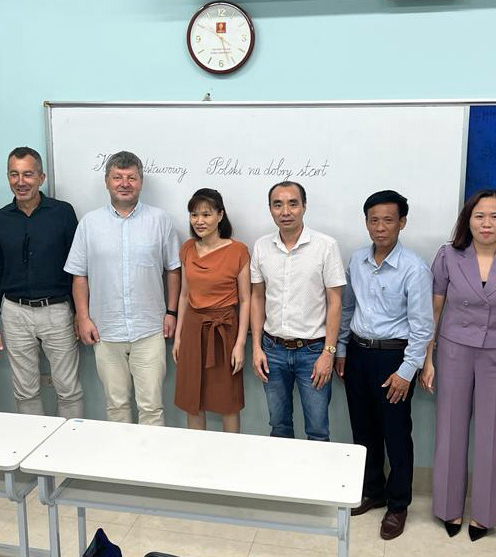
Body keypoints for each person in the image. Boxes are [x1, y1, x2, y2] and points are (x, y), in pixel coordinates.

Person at [420, 189, 496, 541]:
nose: (487, 223)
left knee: (492, 435)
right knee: (450, 430)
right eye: (479, 216)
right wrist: (428, 359)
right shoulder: (448, 256)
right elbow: (434, 310)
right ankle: (448, 509)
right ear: (468, 220)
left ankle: (484, 515)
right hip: (454, 352)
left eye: (494, 216)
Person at [335, 190, 433, 540]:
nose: (380, 227)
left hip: (394, 358)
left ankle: (398, 504)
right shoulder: (357, 260)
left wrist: (407, 371)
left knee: (396, 433)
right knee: (363, 429)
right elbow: (348, 308)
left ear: (402, 223)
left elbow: (422, 327)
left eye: (388, 220)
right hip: (358, 353)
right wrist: (341, 350)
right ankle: (372, 490)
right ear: (366, 223)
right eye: (373, 220)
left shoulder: (414, 268)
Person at [65, 151, 181, 425]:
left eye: (131, 177)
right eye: (118, 177)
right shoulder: (89, 224)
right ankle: (121, 454)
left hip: (149, 329)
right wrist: (83, 317)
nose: (124, 183)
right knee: (116, 406)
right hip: (106, 330)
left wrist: (171, 312)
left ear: (141, 182)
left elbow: (173, 270)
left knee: (151, 407)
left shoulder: (160, 220)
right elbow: (79, 275)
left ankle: (149, 455)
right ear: (107, 181)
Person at [0, 147, 83, 418]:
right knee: (25, 391)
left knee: (69, 389)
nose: (21, 181)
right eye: (14, 174)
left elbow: (77, 268)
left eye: (28, 174)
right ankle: (33, 442)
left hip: (57, 311)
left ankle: (72, 441)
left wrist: (80, 313)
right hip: (15, 313)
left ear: (41, 177)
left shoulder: (63, 213)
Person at [250, 181, 345, 442]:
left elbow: (335, 302)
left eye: (293, 204)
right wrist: (256, 348)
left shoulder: (326, 246)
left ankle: (316, 472)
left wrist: (328, 352)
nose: (285, 211)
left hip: (313, 352)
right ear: (270, 209)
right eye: (277, 204)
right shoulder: (261, 247)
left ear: (304, 206)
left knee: (317, 429)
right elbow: (257, 298)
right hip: (273, 351)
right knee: (279, 426)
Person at [172, 189, 250, 432]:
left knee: (228, 402)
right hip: (193, 330)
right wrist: (178, 337)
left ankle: (231, 452)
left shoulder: (238, 251)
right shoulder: (187, 249)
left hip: (224, 331)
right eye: (194, 214)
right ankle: (197, 453)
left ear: (220, 215)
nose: (199, 221)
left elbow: (246, 300)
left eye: (206, 214)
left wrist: (240, 344)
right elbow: (184, 295)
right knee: (192, 400)